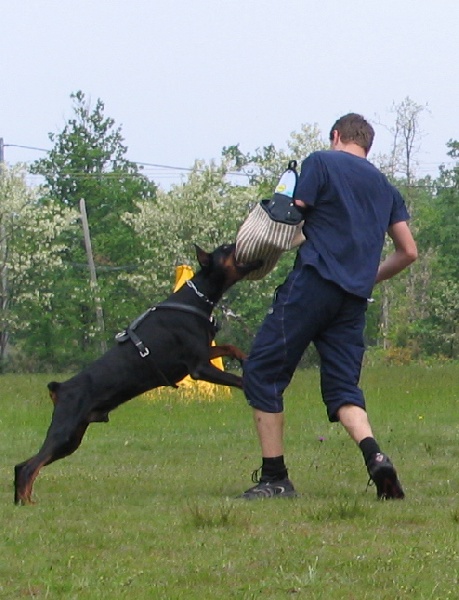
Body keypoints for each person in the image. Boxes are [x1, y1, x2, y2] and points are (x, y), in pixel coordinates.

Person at [239, 113, 418, 501]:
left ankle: (275, 478)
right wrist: (368, 275)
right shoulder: (386, 189)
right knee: (342, 389)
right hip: (353, 300)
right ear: (366, 145)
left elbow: (293, 210)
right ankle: (376, 457)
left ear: (336, 136)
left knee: (263, 371)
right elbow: (408, 252)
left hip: (312, 285)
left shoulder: (321, 162)